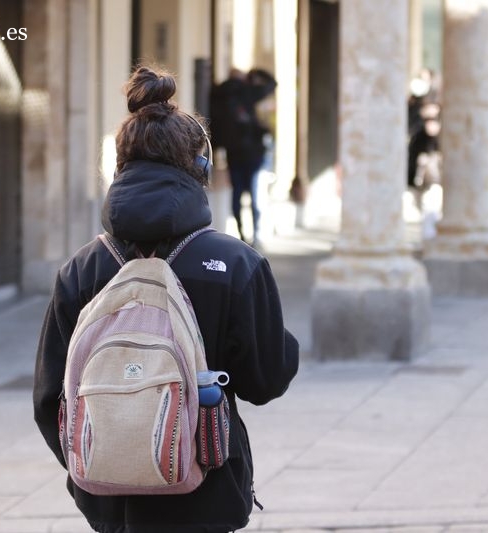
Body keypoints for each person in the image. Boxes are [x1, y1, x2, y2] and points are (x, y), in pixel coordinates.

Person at [33, 65, 299, 533]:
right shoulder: (235, 264)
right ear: (200, 168)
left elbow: (48, 398)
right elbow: (266, 380)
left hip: (110, 506)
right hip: (208, 498)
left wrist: (109, 461)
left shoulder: (81, 270)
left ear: (118, 168)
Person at [210, 68, 277, 247]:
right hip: (253, 154)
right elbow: (272, 83)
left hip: (233, 154)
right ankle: (255, 236)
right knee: (255, 197)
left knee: (237, 196)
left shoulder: (219, 93)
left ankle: (241, 235)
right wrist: (254, 73)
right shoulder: (247, 91)